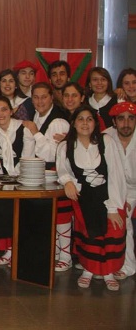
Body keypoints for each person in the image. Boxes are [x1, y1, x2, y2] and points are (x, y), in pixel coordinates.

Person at [56, 105, 126, 291]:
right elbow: (63, 169)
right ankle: (88, 269)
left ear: (95, 123)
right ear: (74, 123)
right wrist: (67, 182)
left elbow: (116, 174)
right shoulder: (66, 145)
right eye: (80, 119)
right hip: (84, 199)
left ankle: (108, 272)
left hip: (109, 196)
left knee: (112, 234)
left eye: (89, 119)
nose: (85, 123)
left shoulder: (106, 141)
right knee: (88, 236)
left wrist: (112, 208)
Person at [21, 83, 71, 271]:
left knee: (62, 216)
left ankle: (65, 256)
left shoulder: (58, 121)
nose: (40, 101)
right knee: (52, 215)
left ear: (51, 97)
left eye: (44, 97)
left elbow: (51, 154)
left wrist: (35, 132)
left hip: (58, 173)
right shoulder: (38, 116)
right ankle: (57, 253)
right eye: (36, 97)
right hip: (41, 174)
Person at [0, 96, 36, 266]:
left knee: (20, 218)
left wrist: (14, 179)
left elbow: (27, 157)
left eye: (4, 109)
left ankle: (18, 251)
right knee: (5, 218)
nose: (0, 113)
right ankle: (9, 250)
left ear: (11, 110)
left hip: (21, 181)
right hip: (0, 181)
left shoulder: (23, 129)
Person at [103, 102, 136, 281]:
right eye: (121, 119)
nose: (126, 123)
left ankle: (128, 265)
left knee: (125, 217)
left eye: (131, 118)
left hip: (134, 189)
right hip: (113, 187)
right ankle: (104, 262)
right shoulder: (105, 137)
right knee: (120, 214)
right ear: (114, 122)